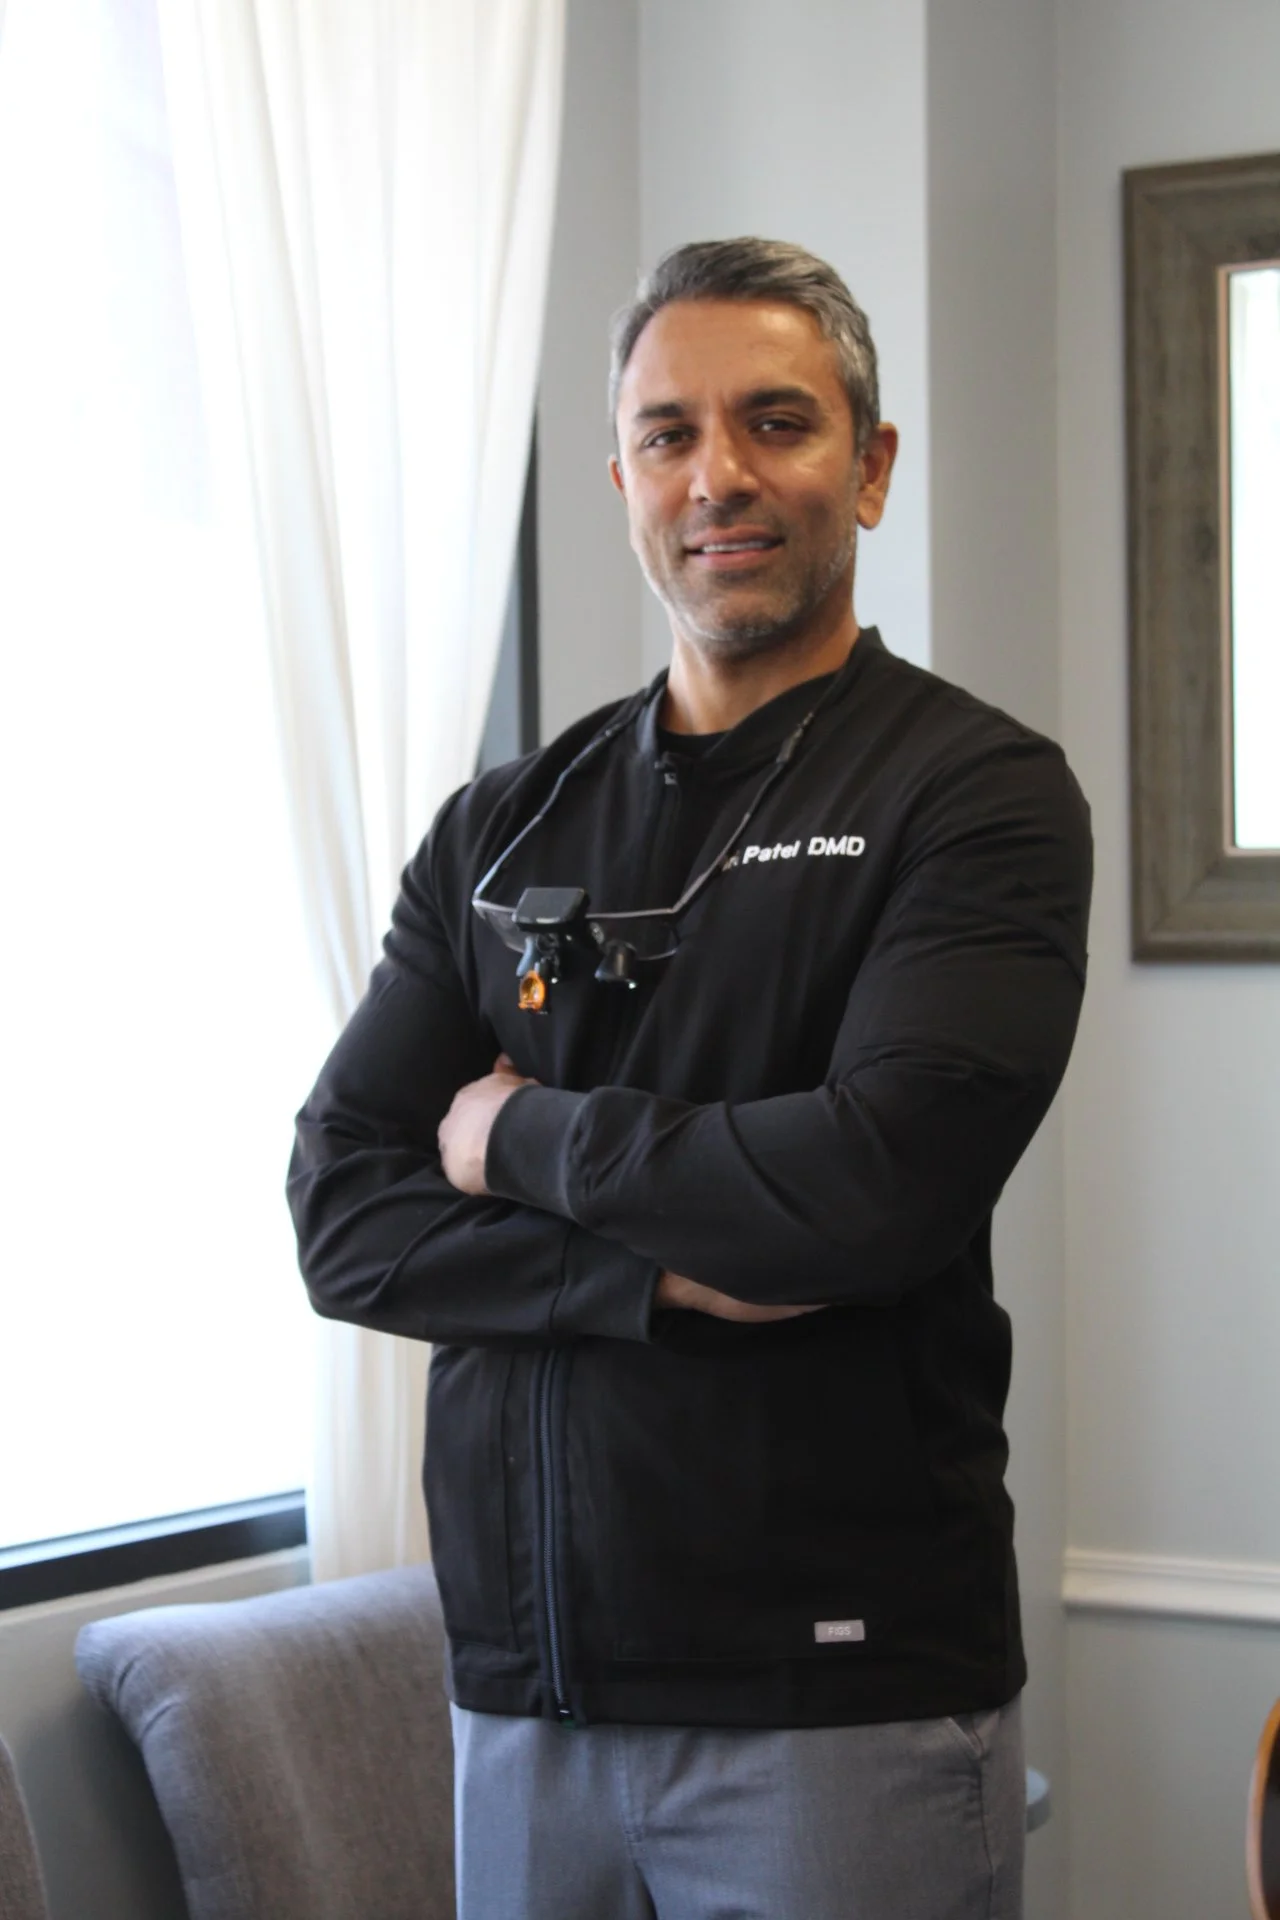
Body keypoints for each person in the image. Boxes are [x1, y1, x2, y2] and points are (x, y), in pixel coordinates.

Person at [288, 237, 1092, 1920]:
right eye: (669, 434)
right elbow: (344, 1213)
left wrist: (517, 1132)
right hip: (526, 1696)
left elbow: (867, 1194)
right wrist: (661, 1272)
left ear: (869, 467)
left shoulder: (978, 796)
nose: (717, 475)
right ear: (623, 482)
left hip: (837, 1703)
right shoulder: (499, 824)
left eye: (776, 422)